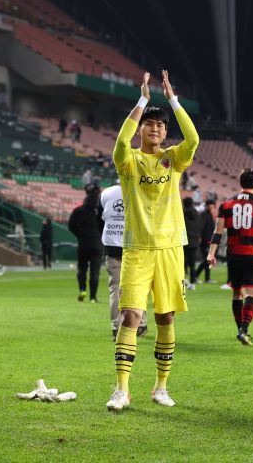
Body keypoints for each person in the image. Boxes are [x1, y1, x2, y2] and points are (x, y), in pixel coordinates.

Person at [106, 70, 198, 412]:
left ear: (165, 132)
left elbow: (193, 139)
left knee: (166, 318)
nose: (155, 128)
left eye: (160, 125)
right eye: (149, 124)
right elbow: (120, 142)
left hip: (171, 249)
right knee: (129, 316)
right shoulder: (129, 161)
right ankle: (121, 390)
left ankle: (161, 387)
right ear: (141, 129)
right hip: (137, 250)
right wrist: (143, 100)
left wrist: (172, 99)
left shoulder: (173, 159)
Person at [207, 169, 253, 346]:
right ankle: (244, 330)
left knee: (237, 293)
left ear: (240, 183)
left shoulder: (227, 203)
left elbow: (218, 232)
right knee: (252, 293)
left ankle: (241, 330)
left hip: (234, 254)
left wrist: (211, 253)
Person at [99, 184, 148, 341]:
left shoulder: (106, 192)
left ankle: (116, 326)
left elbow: (99, 217)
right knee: (139, 286)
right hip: (135, 246)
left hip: (112, 246)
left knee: (115, 288)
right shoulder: (140, 190)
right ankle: (140, 323)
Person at [68, 189, 103, 303]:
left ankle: (82, 290)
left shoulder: (78, 210)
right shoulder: (99, 211)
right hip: (97, 244)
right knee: (95, 272)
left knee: (82, 269)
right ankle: (93, 297)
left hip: (83, 244)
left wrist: (80, 234)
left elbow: (71, 225)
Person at [194, 200, 217, 284]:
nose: (211, 208)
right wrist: (201, 237)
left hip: (209, 240)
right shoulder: (204, 215)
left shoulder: (209, 215)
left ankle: (205, 278)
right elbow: (201, 227)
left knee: (208, 260)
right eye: (210, 207)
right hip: (205, 241)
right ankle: (196, 276)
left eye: (212, 207)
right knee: (207, 260)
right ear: (206, 206)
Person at [182, 197, 202, 289]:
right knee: (192, 263)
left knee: (182, 262)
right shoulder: (197, 214)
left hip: (184, 241)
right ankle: (193, 282)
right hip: (194, 241)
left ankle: (183, 279)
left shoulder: (183, 213)